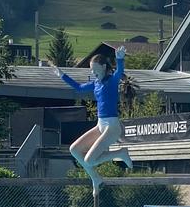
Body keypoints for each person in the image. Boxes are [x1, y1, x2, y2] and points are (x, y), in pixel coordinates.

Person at [51, 45, 133, 193]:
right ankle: (95, 178)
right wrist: (62, 75)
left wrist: (120, 59)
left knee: (89, 160)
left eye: (94, 69)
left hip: (112, 126)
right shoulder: (95, 84)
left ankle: (120, 153)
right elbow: (78, 88)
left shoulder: (112, 80)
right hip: (100, 125)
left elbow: (119, 72)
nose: (92, 72)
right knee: (74, 150)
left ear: (103, 67)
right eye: (91, 69)